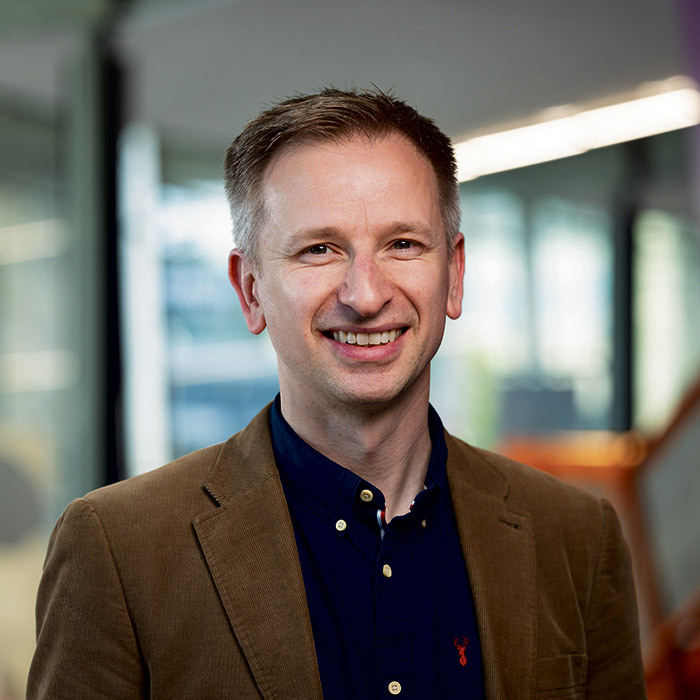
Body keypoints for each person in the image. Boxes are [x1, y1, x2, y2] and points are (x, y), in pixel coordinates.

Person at [28, 88, 646, 699]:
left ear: (453, 276)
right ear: (250, 290)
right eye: (319, 249)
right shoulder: (118, 550)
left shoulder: (577, 539)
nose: (366, 294)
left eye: (403, 244)